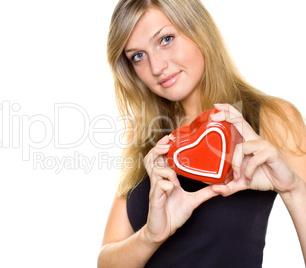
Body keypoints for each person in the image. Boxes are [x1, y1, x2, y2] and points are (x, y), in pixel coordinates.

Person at [97, 0, 306, 267]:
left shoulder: (272, 118)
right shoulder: (143, 135)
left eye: (166, 39)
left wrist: (293, 190)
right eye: (138, 56)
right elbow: (106, 261)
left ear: (199, 29)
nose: (157, 67)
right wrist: (151, 236)